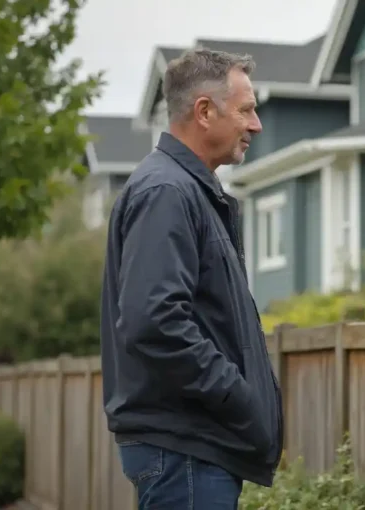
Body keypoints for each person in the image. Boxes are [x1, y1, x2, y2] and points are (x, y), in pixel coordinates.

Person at [100, 48, 283, 509]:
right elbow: (154, 322)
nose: (256, 124)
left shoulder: (189, 191)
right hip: (185, 449)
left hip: (192, 448)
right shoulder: (167, 192)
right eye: (246, 110)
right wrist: (237, 396)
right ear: (204, 111)